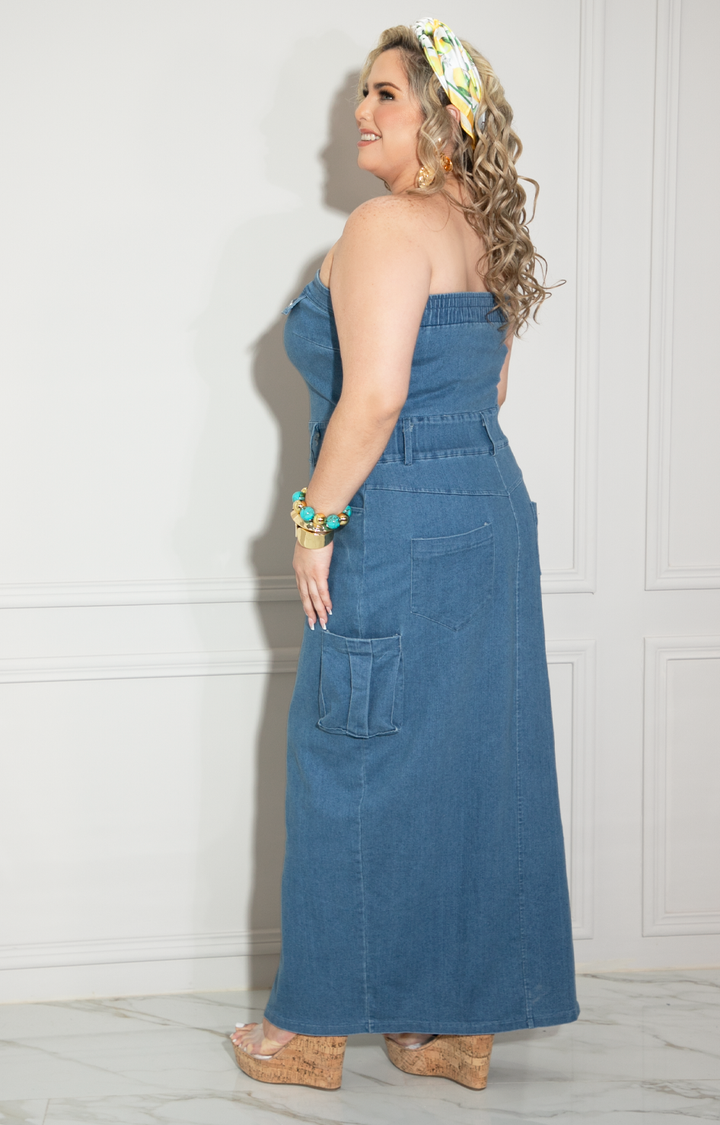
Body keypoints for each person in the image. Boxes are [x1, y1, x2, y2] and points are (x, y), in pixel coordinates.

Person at [231, 18, 579, 1091]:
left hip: (395, 517)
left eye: (386, 93)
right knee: (467, 763)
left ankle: (311, 1030)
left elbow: (375, 398)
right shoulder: (482, 229)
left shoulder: (387, 226)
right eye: (364, 92)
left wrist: (314, 519)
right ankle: (450, 1027)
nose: (361, 112)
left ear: (442, 116)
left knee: (348, 754)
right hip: (485, 506)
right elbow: (490, 391)